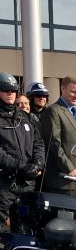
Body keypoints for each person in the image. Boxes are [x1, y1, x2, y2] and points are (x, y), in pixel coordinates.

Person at [0, 73, 44, 230]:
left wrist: (38, 164)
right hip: (4, 184)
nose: (10, 94)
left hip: (26, 184)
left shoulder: (25, 118)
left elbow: (38, 142)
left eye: (13, 91)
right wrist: (21, 166)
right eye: (6, 91)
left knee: (26, 229)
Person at [40, 76, 76, 198]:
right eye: (73, 92)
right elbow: (53, 144)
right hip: (63, 180)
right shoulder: (53, 111)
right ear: (62, 89)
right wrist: (69, 168)